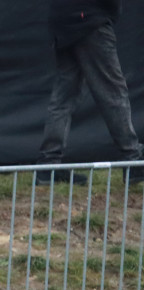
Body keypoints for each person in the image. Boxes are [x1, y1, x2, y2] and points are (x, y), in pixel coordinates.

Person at [36, 0, 143, 185]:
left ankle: (48, 165)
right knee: (113, 91)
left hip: (63, 22)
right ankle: (132, 159)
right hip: (89, 22)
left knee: (64, 97)